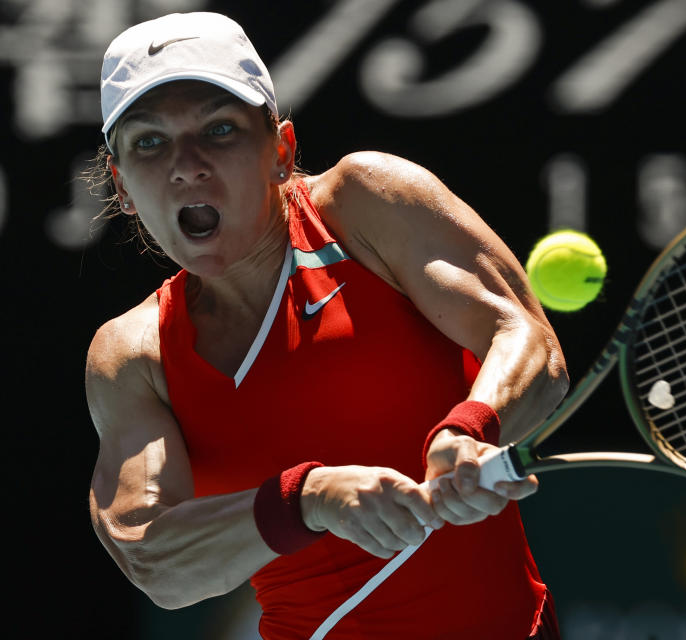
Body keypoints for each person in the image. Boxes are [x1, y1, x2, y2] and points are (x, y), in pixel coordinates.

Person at [84, 11, 569, 640]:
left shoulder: (362, 204)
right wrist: (308, 500)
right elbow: (155, 562)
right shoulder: (133, 354)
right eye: (150, 141)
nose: (186, 165)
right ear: (121, 186)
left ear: (281, 151)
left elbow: (527, 340)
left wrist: (472, 426)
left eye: (220, 129)